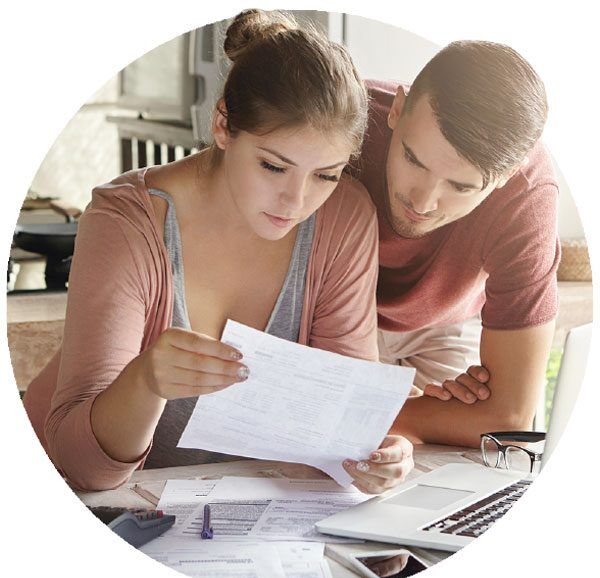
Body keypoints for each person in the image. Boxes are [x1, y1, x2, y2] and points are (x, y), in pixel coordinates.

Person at [23, 10, 414, 494]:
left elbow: (337, 427)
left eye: (326, 175)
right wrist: (146, 381)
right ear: (224, 125)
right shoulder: (125, 222)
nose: (297, 202)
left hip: (229, 522)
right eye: (274, 167)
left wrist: (375, 454)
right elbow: (86, 470)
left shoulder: (344, 218)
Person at [352, 41, 560, 447]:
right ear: (397, 110)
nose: (422, 202)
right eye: (413, 159)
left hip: (443, 325)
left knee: (449, 472)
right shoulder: (342, 119)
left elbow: (508, 419)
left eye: (461, 186)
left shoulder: (527, 196)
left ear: (506, 176)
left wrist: (365, 412)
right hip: (332, 315)